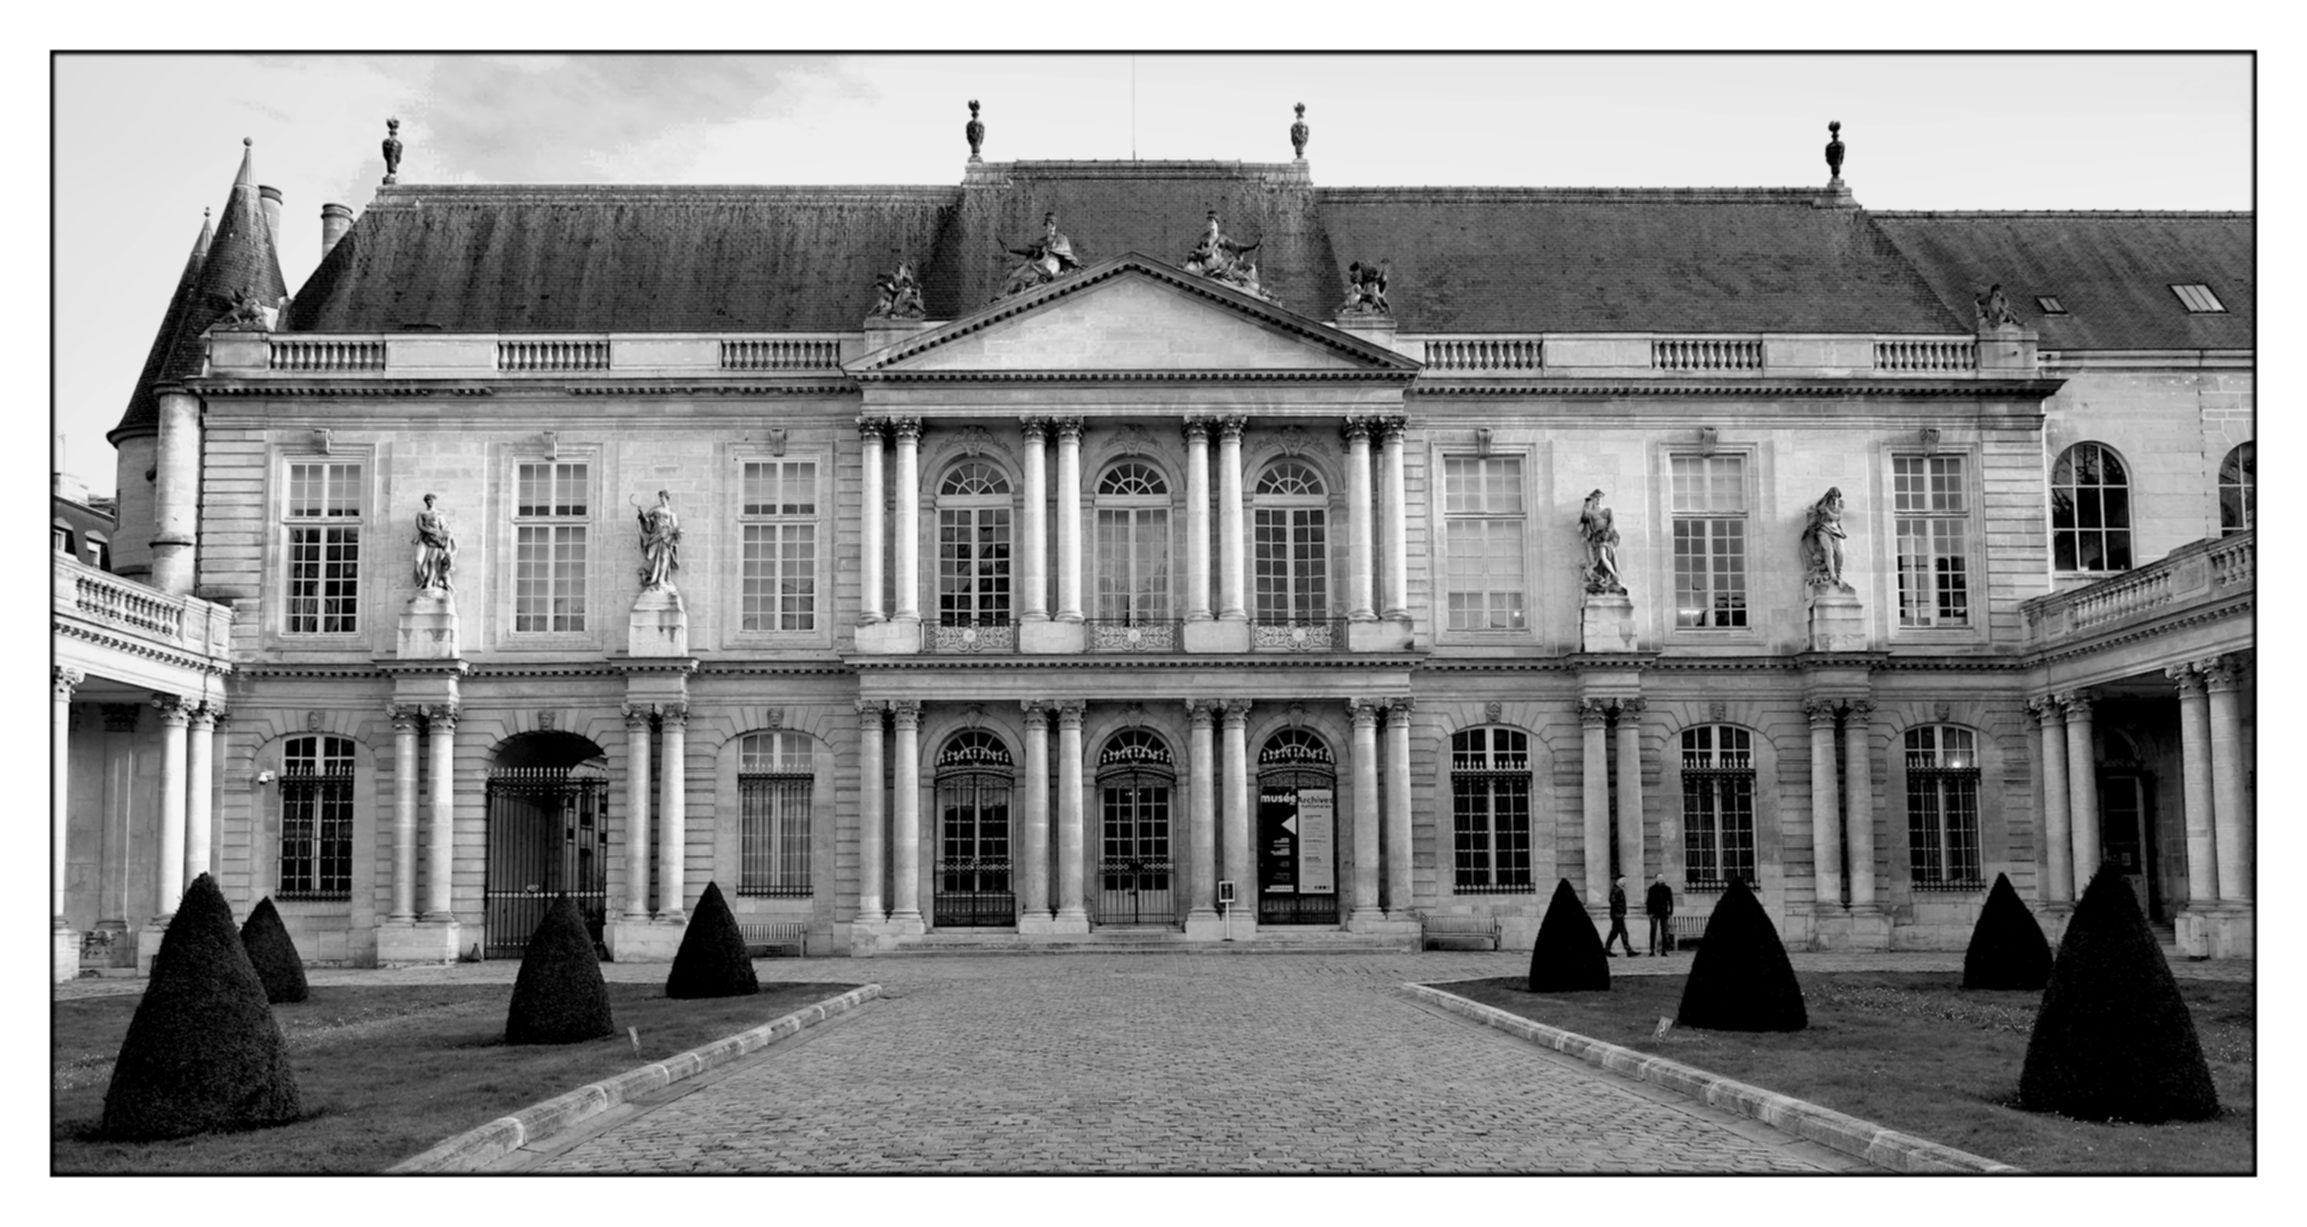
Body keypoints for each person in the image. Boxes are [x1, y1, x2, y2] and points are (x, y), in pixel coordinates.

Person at [1580, 489, 1624, 595]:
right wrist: (1586, 504)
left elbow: (1611, 523)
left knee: (1604, 556)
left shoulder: (1608, 510)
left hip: (1607, 537)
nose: (1598, 500)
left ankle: (1614, 575)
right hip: (1597, 538)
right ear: (1593, 499)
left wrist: (1607, 533)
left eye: (1599, 498)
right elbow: (1584, 518)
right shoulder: (1591, 513)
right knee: (1600, 559)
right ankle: (1611, 576)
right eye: (1596, 498)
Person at [637, 490, 681, 589]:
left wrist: (676, 533)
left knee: (664, 557)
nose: (661, 499)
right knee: (652, 557)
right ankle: (654, 577)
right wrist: (641, 515)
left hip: (666, 536)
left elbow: (675, 526)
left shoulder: (671, 513)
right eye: (660, 497)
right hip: (656, 535)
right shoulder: (656, 510)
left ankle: (661, 579)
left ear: (667, 498)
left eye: (662, 497)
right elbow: (646, 519)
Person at [412, 493, 455, 592]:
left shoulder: (439, 514)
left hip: (436, 541)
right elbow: (420, 526)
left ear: (435, 501)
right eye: (428, 500)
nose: (430, 502)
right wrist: (430, 531)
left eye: (432, 500)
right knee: (418, 560)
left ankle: (429, 582)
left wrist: (447, 536)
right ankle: (421, 579)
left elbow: (444, 527)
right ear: (425, 502)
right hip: (425, 539)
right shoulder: (421, 513)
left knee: (432, 561)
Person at [1605, 875, 1638, 957]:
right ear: (1618, 881)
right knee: (1623, 932)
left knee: (1614, 933)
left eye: (1625, 880)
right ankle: (1629, 950)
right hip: (1617, 915)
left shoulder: (1617, 889)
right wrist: (1620, 911)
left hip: (1617, 914)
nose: (1624, 882)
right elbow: (1612, 901)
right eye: (1623, 880)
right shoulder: (1616, 890)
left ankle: (1606, 950)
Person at [1646, 873, 1675, 956]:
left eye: (1662, 877)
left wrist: (1670, 912)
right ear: (1656, 879)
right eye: (1659, 877)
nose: (1660, 879)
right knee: (1653, 931)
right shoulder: (1651, 889)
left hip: (1664, 912)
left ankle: (1664, 950)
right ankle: (1652, 950)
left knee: (1664, 932)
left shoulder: (1667, 889)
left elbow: (1671, 901)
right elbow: (1648, 901)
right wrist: (1649, 912)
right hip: (1654, 913)